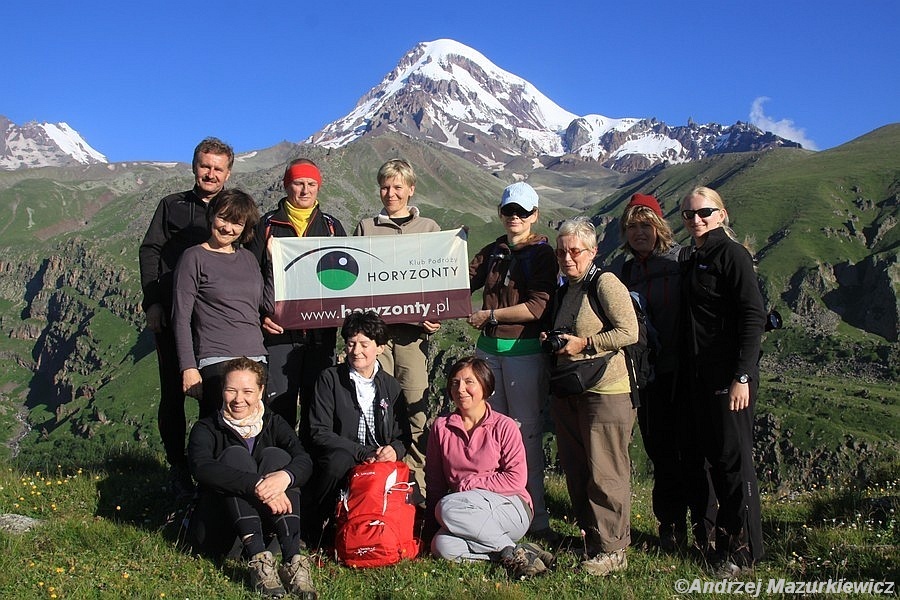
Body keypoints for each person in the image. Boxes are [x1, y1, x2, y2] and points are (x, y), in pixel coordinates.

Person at [615, 193, 717, 552]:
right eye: (632, 226)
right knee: (660, 451)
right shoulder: (624, 272)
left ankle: (706, 529)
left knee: (693, 452)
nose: (639, 233)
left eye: (646, 225)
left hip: (687, 372)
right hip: (648, 376)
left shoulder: (683, 261)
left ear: (659, 227)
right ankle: (670, 526)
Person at [139, 136, 234, 497]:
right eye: (204, 166)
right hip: (172, 313)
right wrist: (153, 302)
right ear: (194, 166)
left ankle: (210, 467)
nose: (210, 173)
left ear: (228, 173)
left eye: (217, 168)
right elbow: (150, 251)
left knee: (214, 392)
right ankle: (177, 468)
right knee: (173, 392)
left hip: (214, 319)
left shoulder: (233, 211)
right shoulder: (171, 206)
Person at [679, 186, 766, 577]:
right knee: (712, 461)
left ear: (722, 214)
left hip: (730, 378)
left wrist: (742, 376)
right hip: (699, 377)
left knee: (735, 463)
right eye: (689, 214)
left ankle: (747, 553)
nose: (697, 220)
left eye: (704, 212)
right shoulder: (692, 257)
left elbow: (753, 317)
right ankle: (721, 543)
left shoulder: (733, 256)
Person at [544, 217, 638, 576]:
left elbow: (628, 331)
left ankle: (614, 549)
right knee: (577, 467)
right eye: (562, 252)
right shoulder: (565, 288)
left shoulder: (605, 282)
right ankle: (592, 539)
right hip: (571, 389)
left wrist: (586, 344)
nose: (568, 258)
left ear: (592, 251)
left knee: (606, 470)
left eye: (575, 251)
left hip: (607, 390)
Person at [467, 181, 558, 541]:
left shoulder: (542, 255)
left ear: (535, 214)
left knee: (524, 434)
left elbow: (538, 306)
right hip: (489, 352)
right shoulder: (494, 250)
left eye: (522, 212)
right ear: (501, 213)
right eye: (509, 211)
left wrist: (490, 316)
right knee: (489, 433)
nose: (515, 217)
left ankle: (536, 518)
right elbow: (462, 280)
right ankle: (495, 513)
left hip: (524, 354)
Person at [187, 357, 317, 599]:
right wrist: (256, 484)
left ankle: (293, 562)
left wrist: (284, 478)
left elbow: (303, 460)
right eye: (231, 390)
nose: (239, 399)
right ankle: (258, 563)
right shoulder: (207, 428)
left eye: (247, 391)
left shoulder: (273, 423)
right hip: (223, 532)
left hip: (269, 530)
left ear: (261, 391)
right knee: (234, 456)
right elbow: (201, 467)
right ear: (222, 391)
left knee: (277, 457)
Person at [353, 158, 440, 498]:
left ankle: (416, 486)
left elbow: (439, 281)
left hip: (412, 339)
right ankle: (377, 484)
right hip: (377, 339)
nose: (391, 193)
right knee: (374, 408)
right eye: (385, 187)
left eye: (398, 187)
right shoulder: (366, 227)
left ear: (411, 189)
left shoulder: (430, 229)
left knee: (416, 407)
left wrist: (436, 315)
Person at [425, 357, 555, 580]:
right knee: (441, 545)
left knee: (446, 508)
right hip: (466, 510)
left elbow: (516, 479)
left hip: (511, 507)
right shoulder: (441, 427)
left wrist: (469, 484)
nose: (461, 389)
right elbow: (435, 480)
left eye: (469, 382)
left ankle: (510, 549)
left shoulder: (504, 426)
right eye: (455, 383)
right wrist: (428, 528)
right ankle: (515, 553)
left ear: (485, 386)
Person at [247, 158, 347, 434]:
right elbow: (250, 277)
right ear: (286, 185)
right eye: (298, 183)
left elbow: (348, 279)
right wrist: (260, 315)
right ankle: (278, 466)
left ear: (319, 187)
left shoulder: (331, 227)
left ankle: (314, 471)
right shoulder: (265, 225)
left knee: (319, 407)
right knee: (279, 407)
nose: (305, 190)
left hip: (320, 334)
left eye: (311, 184)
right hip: (278, 334)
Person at [305, 310, 412, 543]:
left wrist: (394, 449)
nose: (356, 351)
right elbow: (318, 431)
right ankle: (316, 527)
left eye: (364, 344)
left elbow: (402, 435)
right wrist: (363, 452)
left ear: (380, 348)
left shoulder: (391, 386)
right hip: (341, 456)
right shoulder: (329, 379)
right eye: (351, 343)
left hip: (378, 460)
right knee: (338, 461)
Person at [172, 189, 267, 417]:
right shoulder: (193, 258)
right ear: (212, 215)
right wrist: (188, 367)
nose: (227, 228)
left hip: (256, 358)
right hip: (216, 361)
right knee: (218, 433)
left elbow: (263, 304)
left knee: (255, 432)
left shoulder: (248, 258)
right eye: (223, 218)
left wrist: (273, 263)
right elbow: (181, 317)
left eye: (237, 223)